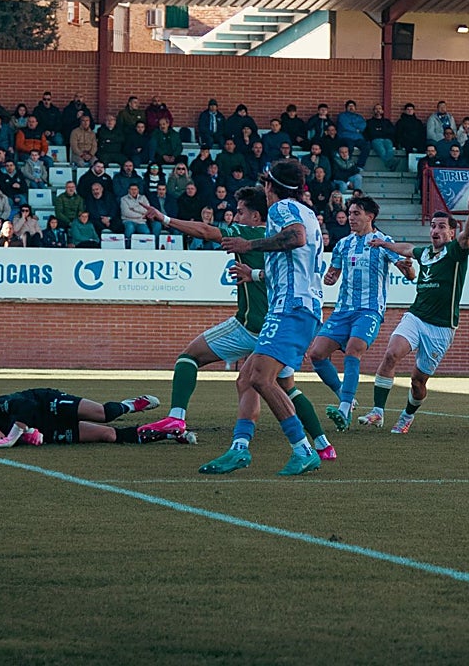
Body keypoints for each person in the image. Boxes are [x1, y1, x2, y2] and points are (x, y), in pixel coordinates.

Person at [138, 187, 338, 466]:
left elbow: (206, 232)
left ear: (255, 216)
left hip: (256, 325)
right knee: (281, 386)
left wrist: (165, 219)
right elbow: (281, 273)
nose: (235, 216)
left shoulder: (250, 234)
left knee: (190, 357)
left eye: (241, 212)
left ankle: (177, 418)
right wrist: (254, 274)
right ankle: (321, 444)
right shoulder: (275, 241)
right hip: (287, 322)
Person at [207, 160, 326, 476]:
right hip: (296, 306)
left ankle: (303, 449)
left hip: (291, 308)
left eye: (266, 185)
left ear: (271, 187)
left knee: (261, 378)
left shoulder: (282, 209)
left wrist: (249, 245)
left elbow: (295, 238)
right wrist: (256, 273)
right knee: (248, 378)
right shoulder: (307, 212)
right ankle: (239, 448)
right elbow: (294, 263)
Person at [357, 197, 469, 433]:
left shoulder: (455, 252)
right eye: (433, 225)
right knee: (392, 353)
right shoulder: (425, 254)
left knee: (418, 381)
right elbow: (407, 249)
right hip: (416, 317)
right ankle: (377, 412)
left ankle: (407, 415)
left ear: (452, 233)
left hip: (441, 327)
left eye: (442, 226)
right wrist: (383, 244)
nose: (435, 230)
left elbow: (468, 237)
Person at [307, 195, 415, 431]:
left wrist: (407, 269)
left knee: (354, 349)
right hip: (343, 310)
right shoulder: (343, 244)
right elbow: (334, 273)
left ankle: (344, 410)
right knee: (316, 354)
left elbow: (409, 274)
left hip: (369, 310)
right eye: (350, 213)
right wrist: (330, 278)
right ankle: (345, 396)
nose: (351, 218)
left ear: (370, 216)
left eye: (356, 213)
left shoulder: (383, 242)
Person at [0, 389, 171, 446]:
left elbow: (26, 406)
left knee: (103, 414)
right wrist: (31, 435)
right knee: (108, 435)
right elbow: (27, 434)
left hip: (47, 403)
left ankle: (131, 404)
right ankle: (168, 431)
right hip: (46, 427)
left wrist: (16, 434)